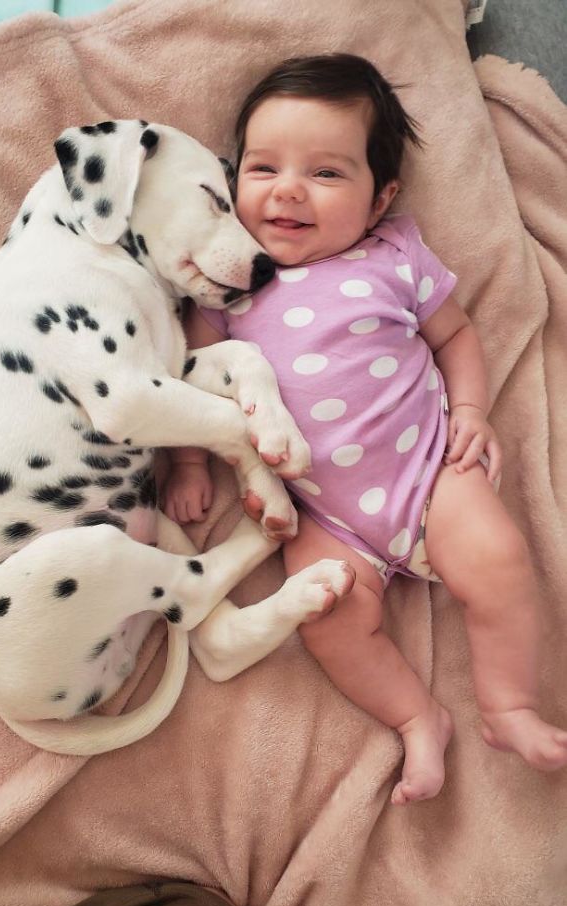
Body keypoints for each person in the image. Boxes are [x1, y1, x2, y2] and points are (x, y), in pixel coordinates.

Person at [162, 53, 567, 804]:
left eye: (325, 174)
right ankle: (418, 718)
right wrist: (187, 467)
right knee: (328, 619)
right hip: (328, 515)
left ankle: (509, 704)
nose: (288, 190)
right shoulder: (222, 283)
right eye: (263, 168)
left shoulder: (394, 254)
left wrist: (472, 412)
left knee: (501, 559)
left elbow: (457, 337)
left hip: (427, 472)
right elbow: (190, 382)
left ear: (380, 200)